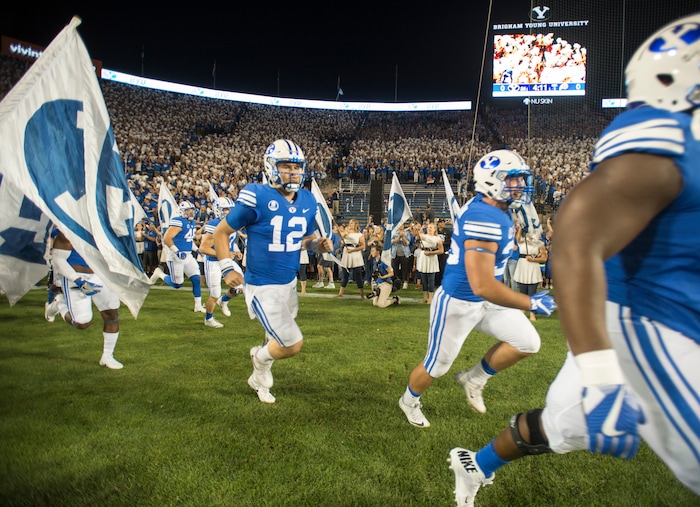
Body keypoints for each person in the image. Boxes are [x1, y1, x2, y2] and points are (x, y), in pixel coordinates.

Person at [448, 15, 700, 505]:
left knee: (562, 422)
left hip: (662, 312)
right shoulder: (670, 137)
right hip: (656, 321)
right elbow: (576, 233)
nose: (519, 185)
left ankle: (476, 464)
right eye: (513, 179)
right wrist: (602, 369)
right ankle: (443, 388)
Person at [399, 149, 555, 429]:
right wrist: (529, 303)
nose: (520, 185)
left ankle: (475, 378)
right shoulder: (485, 217)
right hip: (460, 301)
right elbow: (481, 284)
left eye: (521, 179)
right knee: (437, 365)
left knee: (528, 342)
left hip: (488, 297)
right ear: (492, 181)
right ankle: (409, 401)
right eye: (514, 179)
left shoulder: (497, 207)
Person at [213, 139, 332, 404]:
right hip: (262, 284)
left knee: (273, 335)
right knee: (292, 343)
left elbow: (304, 239)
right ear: (270, 167)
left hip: (288, 282)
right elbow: (221, 232)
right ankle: (259, 360)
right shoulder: (256, 194)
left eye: (296, 166)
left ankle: (260, 379)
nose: (292, 172)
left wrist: (318, 244)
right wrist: (226, 267)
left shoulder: (308, 200)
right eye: (285, 165)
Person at [44, 228, 124, 369]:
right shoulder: (69, 230)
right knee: (82, 323)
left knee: (111, 312)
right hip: (75, 276)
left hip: (99, 275)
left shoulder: (104, 229)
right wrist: (79, 281)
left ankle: (107, 356)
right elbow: (58, 260)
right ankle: (59, 303)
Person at [150, 200, 206, 313]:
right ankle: (159, 273)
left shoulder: (191, 223)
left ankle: (198, 306)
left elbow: (188, 240)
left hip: (188, 255)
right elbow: (166, 238)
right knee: (177, 284)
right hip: (176, 256)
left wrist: (197, 249)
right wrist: (177, 251)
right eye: (188, 210)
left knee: (196, 278)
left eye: (192, 210)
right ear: (182, 211)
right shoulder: (178, 221)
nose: (191, 212)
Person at [198, 197, 243, 328]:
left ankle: (224, 301)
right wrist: (224, 254)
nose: (229, 212)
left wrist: (236, 249)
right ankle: (208, 318)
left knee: (241, 285)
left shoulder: (231, 223)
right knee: (214, 294)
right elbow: (203, 248)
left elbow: (230, 240)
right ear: (218, 211)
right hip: (213, 262)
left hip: (226, 259)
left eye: (231, 209)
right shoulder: (214, 224)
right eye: (226, 209)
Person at [512, 227, 548, 322]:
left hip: (533, 267)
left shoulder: (540, 244)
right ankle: (522, 310)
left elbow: (544, 258)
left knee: (532, 292)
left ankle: (532, 313)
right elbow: (517, 239)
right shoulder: (523, 241)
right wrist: (520, 228)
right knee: (523, 291)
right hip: (522, 266)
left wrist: (533, 259)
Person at [336, 218, 366, 299]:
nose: (350, 224)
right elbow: (341, 237)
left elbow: (363, 246)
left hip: (355, 254)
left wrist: (353, 250)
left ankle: (362, 294)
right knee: (345, 274)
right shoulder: (346, 233)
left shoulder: (360, 235)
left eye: (352, 223)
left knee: (358, 274)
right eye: (349, 223)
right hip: (346, 253)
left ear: (355, 225)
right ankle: (340, 293)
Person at [415, 222, 444, 305]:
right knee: (423, 278)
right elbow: (418, 237)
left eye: (431, 227)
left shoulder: (437, 238)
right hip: (424, 257)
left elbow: (441, 250)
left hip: (432, 258)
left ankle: (431, 298)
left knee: (431, 279)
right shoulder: (424, 236)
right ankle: (424, 297)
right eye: (428, 227)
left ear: (435, 229)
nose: (429, 229)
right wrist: (418, 230)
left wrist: (431, 253)